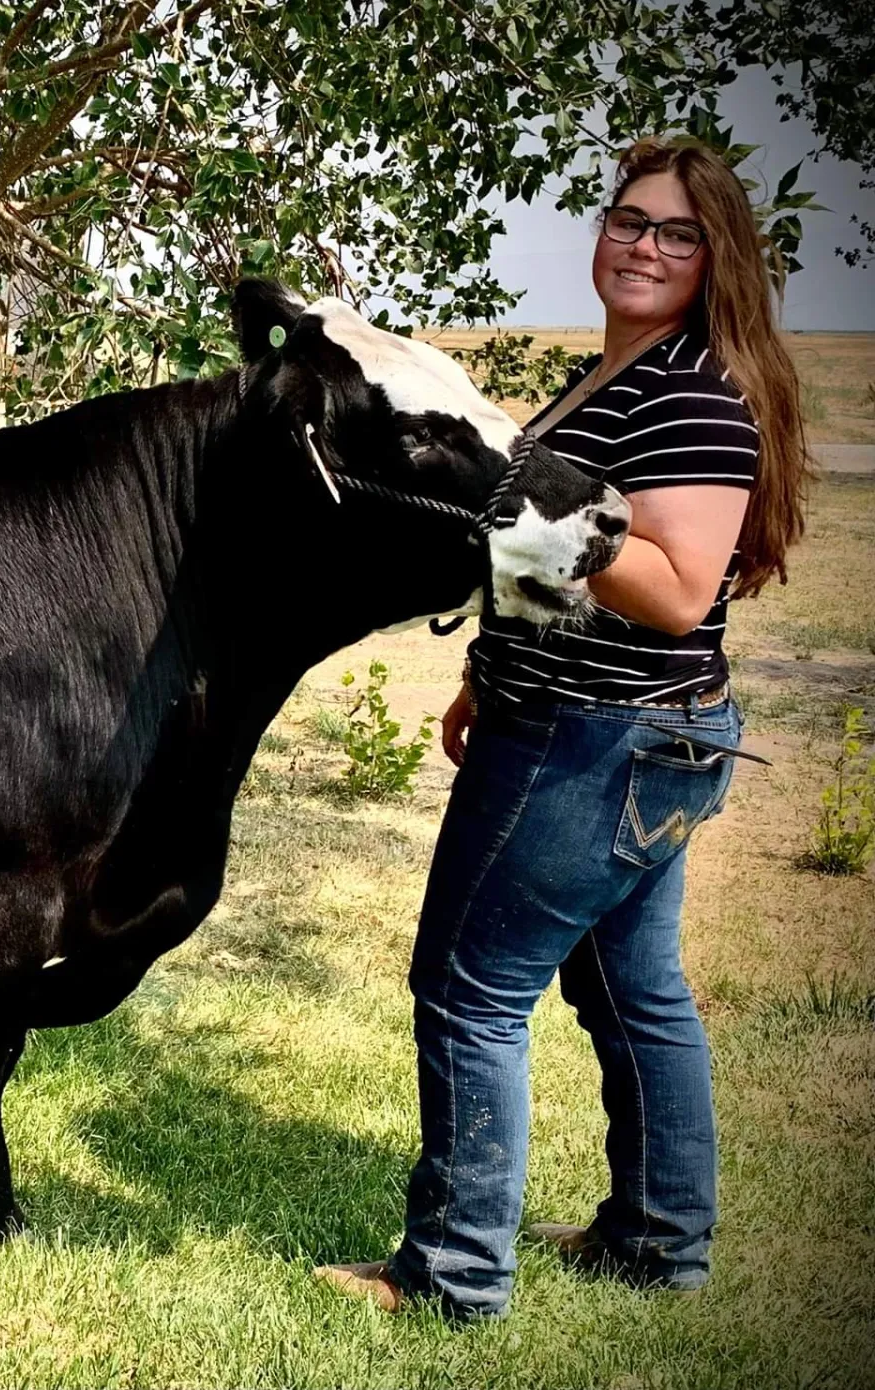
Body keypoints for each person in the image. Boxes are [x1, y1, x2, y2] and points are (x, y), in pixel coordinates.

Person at [314, 135, 810, 1318]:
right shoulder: (617, 379)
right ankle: (655, 1242)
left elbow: (681, 585)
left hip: (598, 743)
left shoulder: (687, 392)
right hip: (639, 729)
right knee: (633, 990)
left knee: (469, 988)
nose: (644, 244)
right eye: (629, 220)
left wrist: (525, 489)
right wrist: (488, 672)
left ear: (715, 256)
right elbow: (562, 566)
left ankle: (452, 1277)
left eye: (677, 231)